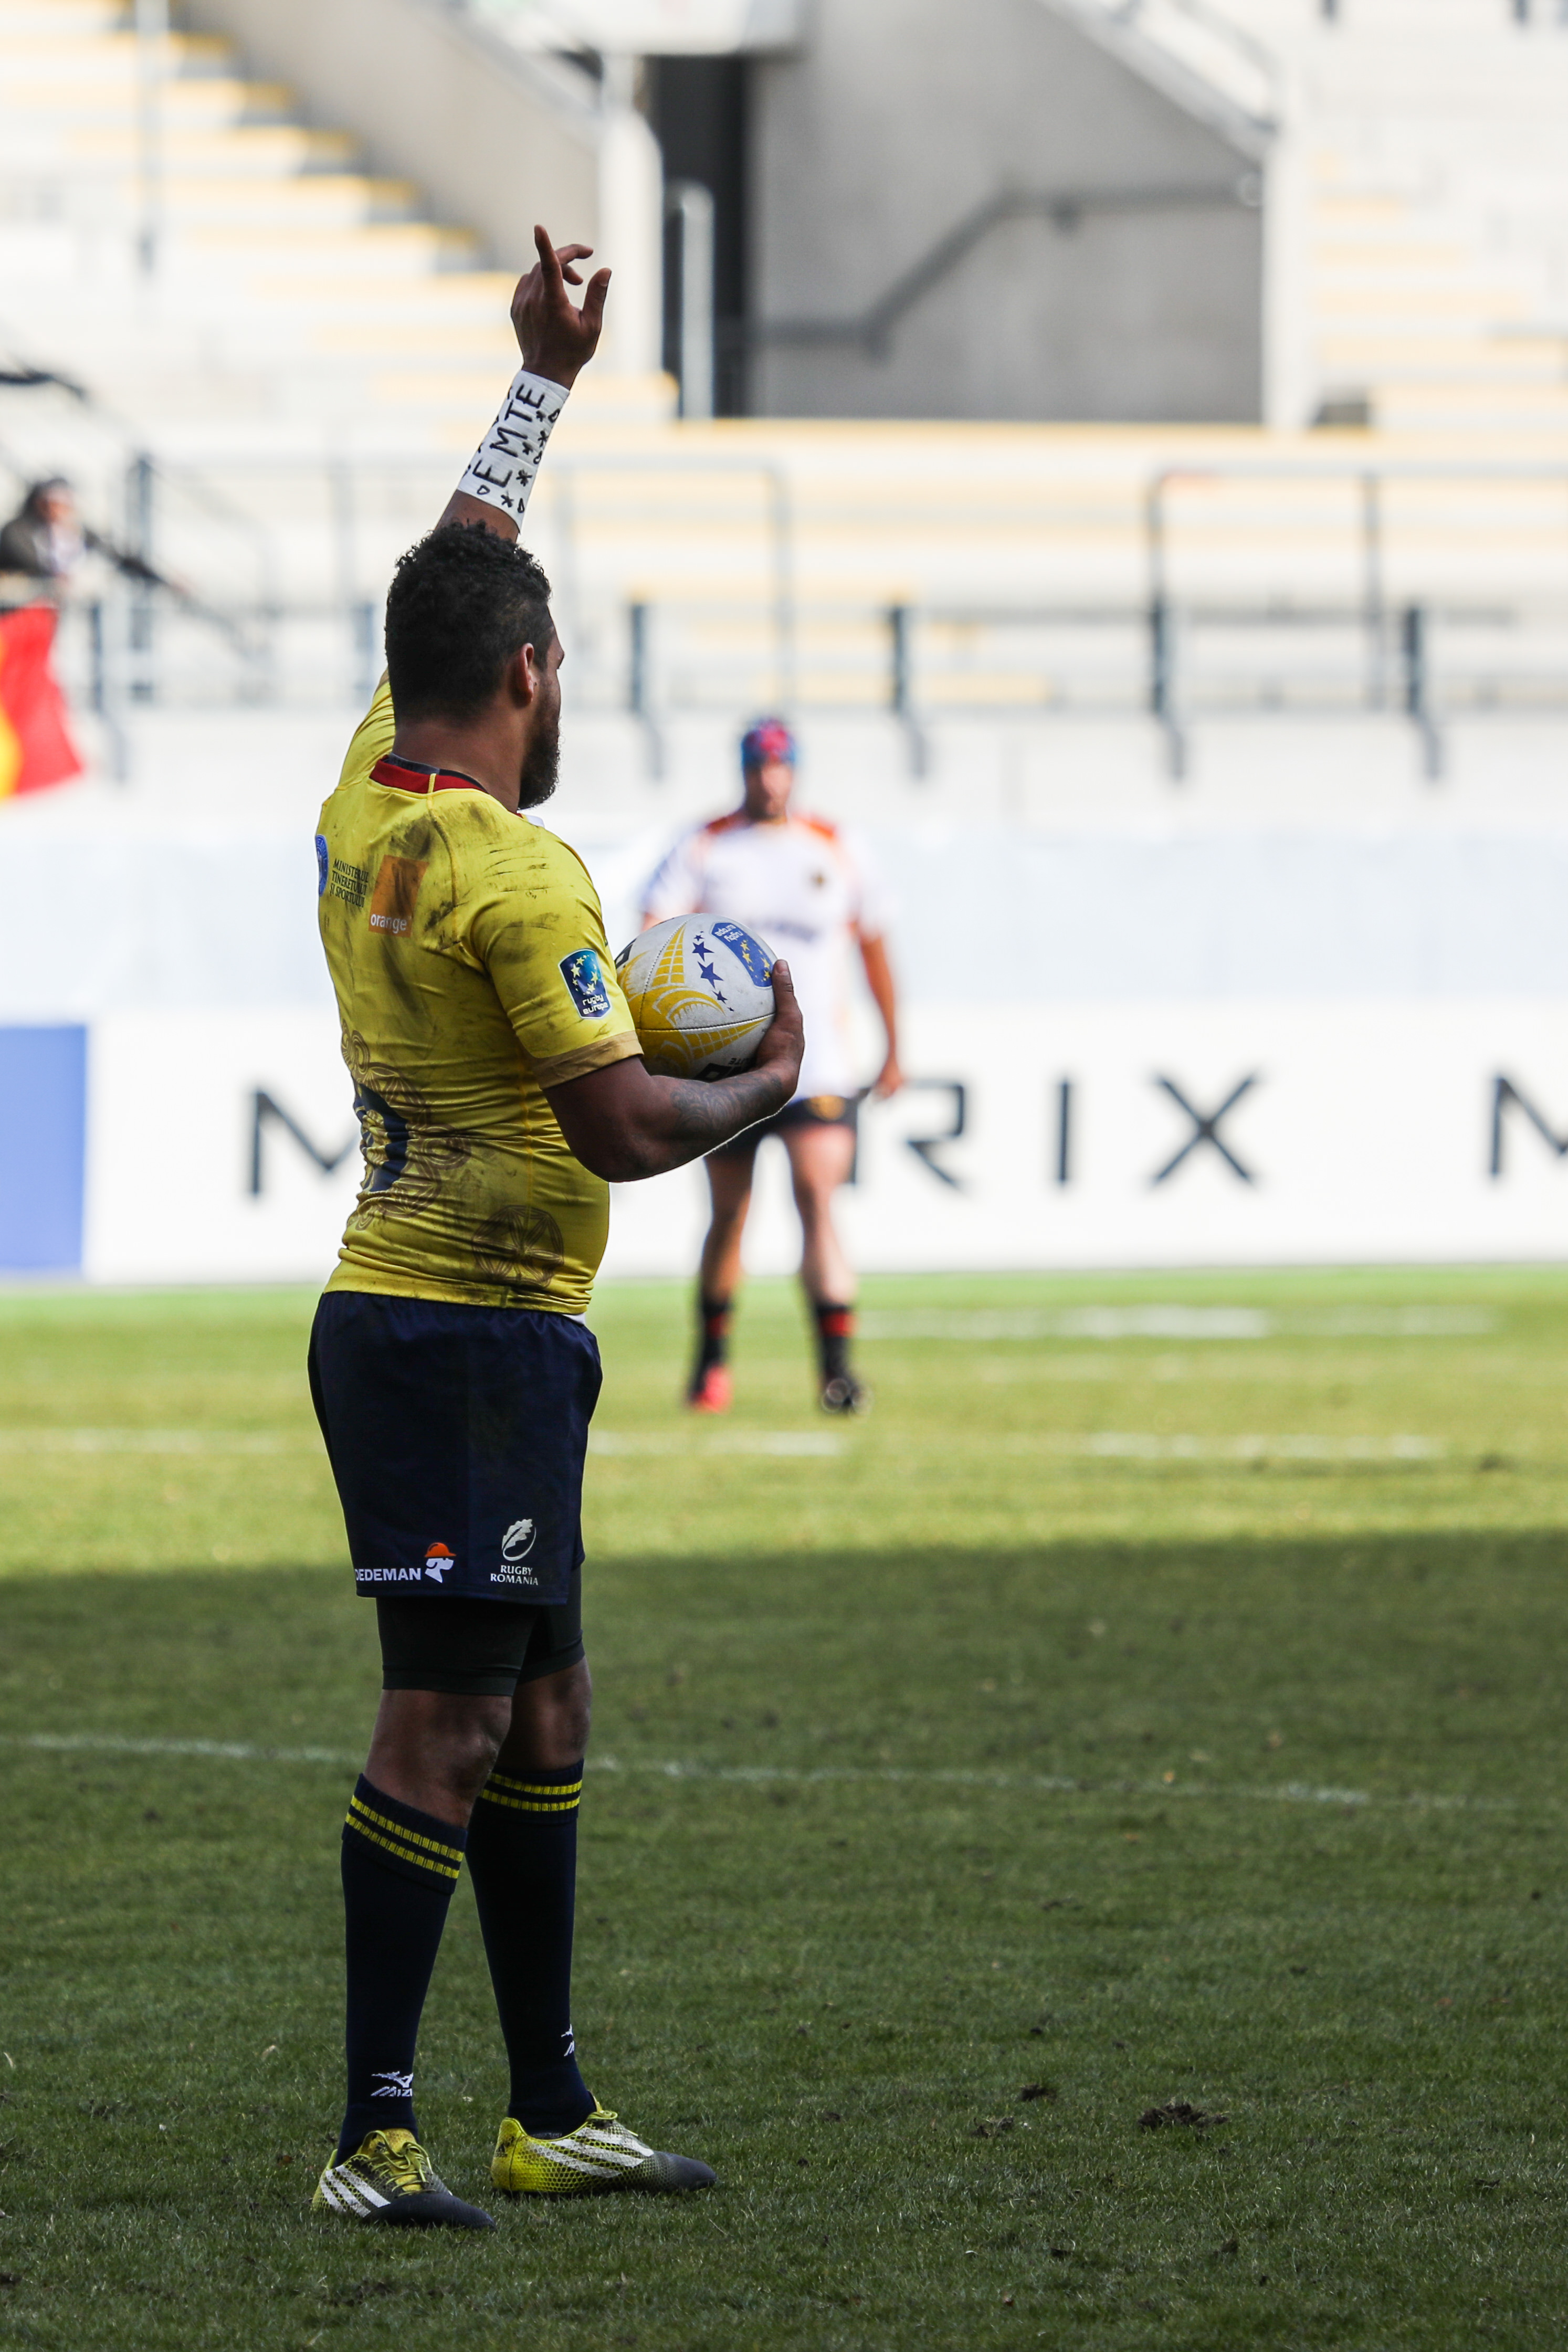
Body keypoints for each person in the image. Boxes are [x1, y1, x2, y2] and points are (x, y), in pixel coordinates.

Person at [306, 226, 804, 2231]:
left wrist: (540, 382)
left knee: (542, 1711)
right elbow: (618, 1124)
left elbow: (456, 558)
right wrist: (772, 1082)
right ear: (531, 676)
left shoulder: (370, 788)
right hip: (456, 1336)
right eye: (556, 661)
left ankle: (548, 2108)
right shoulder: (519, 875)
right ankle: (373, 2137)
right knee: (442, 1725)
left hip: (480, 1336)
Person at [640, 720, 900, 1415]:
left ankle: (836, 1373)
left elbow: (875, 946)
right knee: (730, 1214)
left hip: (820, 1066)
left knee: (818, 1197)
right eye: (759, 766)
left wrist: (895, 1045)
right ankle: (711, 1364)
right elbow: (653, 935)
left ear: (796, 771)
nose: (769, 778)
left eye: (780, 766)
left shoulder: (835, 844)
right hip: (728, 1068)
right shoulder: (706, 845)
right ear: (744, 770)